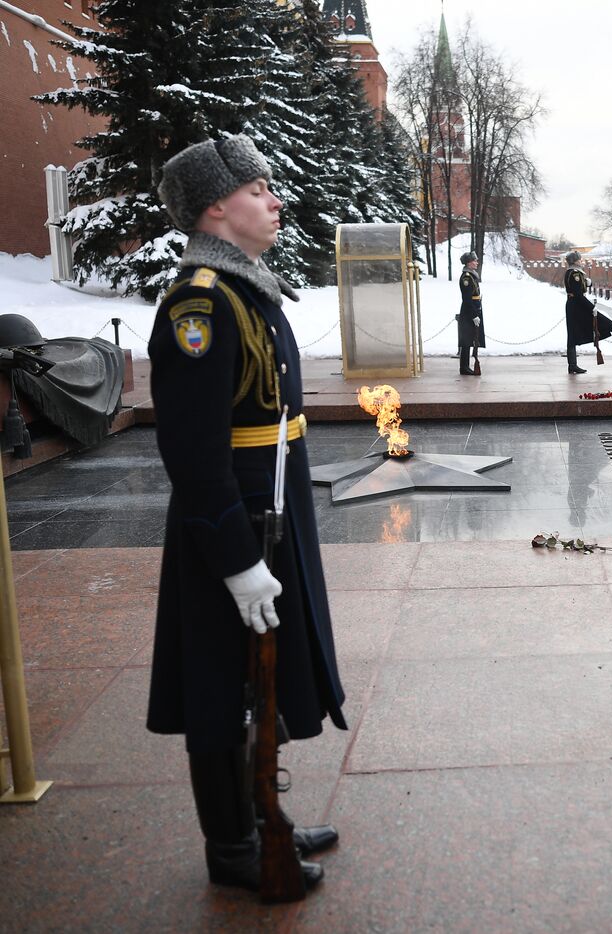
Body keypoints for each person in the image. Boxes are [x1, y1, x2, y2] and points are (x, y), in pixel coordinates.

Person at [148, 135, 345, 892]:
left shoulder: (244, 287)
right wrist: (234, 560)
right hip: (229, 523)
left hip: (270, 508)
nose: (275, 200)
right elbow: (195, 455)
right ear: (215, 206)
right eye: (259, 188)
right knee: (221, 682)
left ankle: (265, 820)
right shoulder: (202, 300)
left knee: (256, 683)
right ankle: (234, 846)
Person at [562, 251, 612, 374]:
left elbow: (578, 288)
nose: (581, 260)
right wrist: (591, 308)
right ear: (574, 261)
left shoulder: (575, 273)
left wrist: (588, 283)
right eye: (579, 259)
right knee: (574, 334)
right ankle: (572, 365)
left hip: (577, 305)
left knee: (602, 322)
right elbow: (578, 294)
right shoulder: (574, 274)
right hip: (577, 306)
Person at [457, 251, 484, 376]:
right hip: (469, 312)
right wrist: (474, 316)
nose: (477, 262)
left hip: (473, 310)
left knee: (469, 340)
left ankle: (466, 366)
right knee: (466, 341)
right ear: (469, 263)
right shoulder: (467, 278)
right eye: (474, 261)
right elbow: (467, 299)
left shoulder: (472, 276)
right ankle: (464, 367)